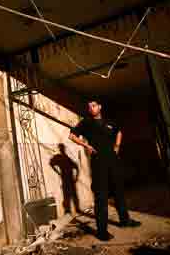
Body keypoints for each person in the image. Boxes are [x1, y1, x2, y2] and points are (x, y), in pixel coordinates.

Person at [69, 99, 141, 241]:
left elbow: (118, 131)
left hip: (113, 161)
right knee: (101, 195)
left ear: (100, 107)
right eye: (89, 106)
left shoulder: (109, 122)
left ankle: (124, 220)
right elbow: (71, 136)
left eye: (94, 105)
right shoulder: (86, 123)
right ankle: (101, 231)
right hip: (98, 163)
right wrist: (86, 145)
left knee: (119, 190)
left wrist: (117, 146)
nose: (91, 108)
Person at [50, 143, 81, 214]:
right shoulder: (59, 157)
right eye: (61, 148)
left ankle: (76, 210)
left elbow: (76, 167)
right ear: (60, 149)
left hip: (70, 180)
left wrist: (76, 177)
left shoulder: (66, 158)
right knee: (67, 196)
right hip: (66, 180)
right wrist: (58, 172)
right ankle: (68, 211)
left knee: (72, 196)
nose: (62, 149)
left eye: (62, 148)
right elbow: (51, 163)